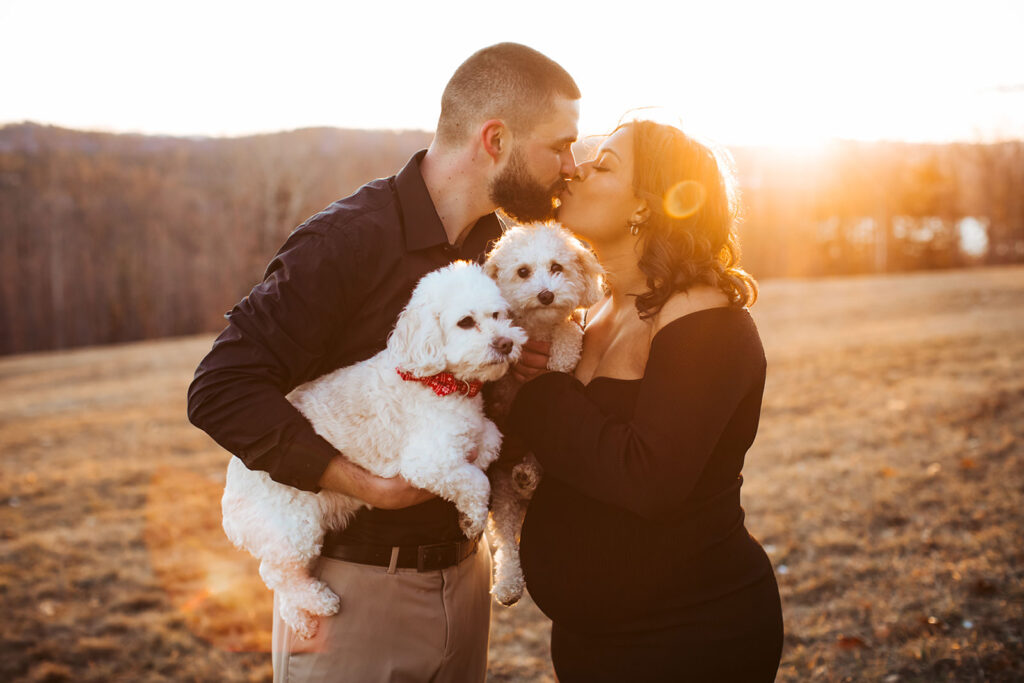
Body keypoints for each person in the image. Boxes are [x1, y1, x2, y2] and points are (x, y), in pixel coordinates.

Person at [186, 42, 580, 682]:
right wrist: (363, 484)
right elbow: (219, 389)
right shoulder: (345, 242)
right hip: (356, 591)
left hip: (465, 577)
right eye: (560, 146)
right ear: (496, 138)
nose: (570, 165)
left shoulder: (497, 250)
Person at [505, 118, 784, 681]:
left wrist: (536, 394)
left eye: (603, 165)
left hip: (690, 638)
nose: (576, 170)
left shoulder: (704, 316)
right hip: (591, 643)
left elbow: (648, 478)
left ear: (646, 207)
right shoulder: (587, 316)